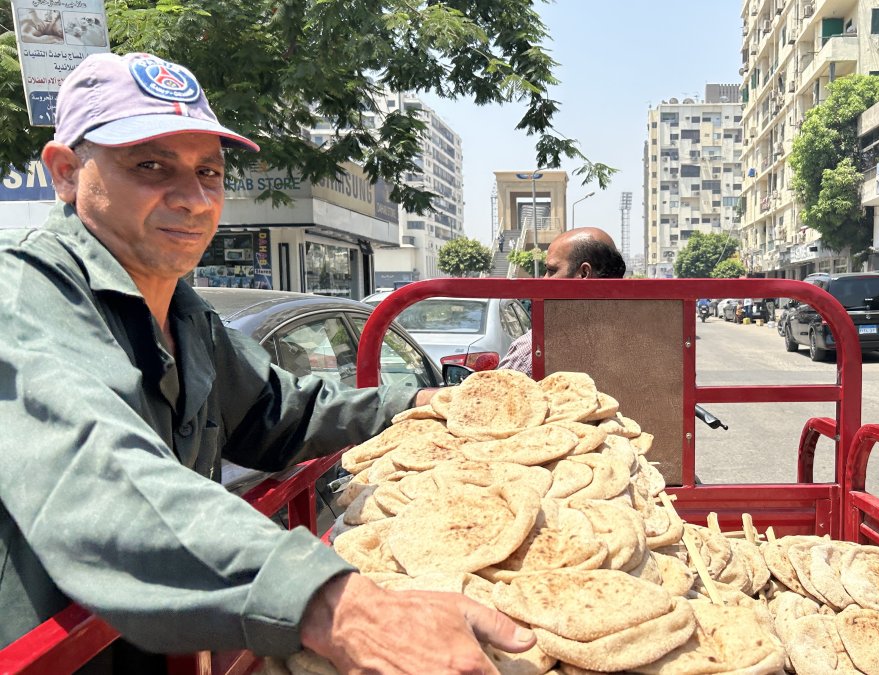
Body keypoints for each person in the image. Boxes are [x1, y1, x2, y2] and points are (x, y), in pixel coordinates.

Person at [0, 52, 531, 673]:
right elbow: (99, 475)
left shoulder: (187, 315)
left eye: (210, 172)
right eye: (150, 166)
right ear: (65, 172)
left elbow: (276, 412)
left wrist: (417, 404)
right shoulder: (22, 298)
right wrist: (340, 607)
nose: (193, 199)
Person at [498, 227, 625, 375]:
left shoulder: (532, 350)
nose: (544, 279)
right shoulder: (644, 337)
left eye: (551, 271)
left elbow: (490, 396)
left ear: (584, 273)